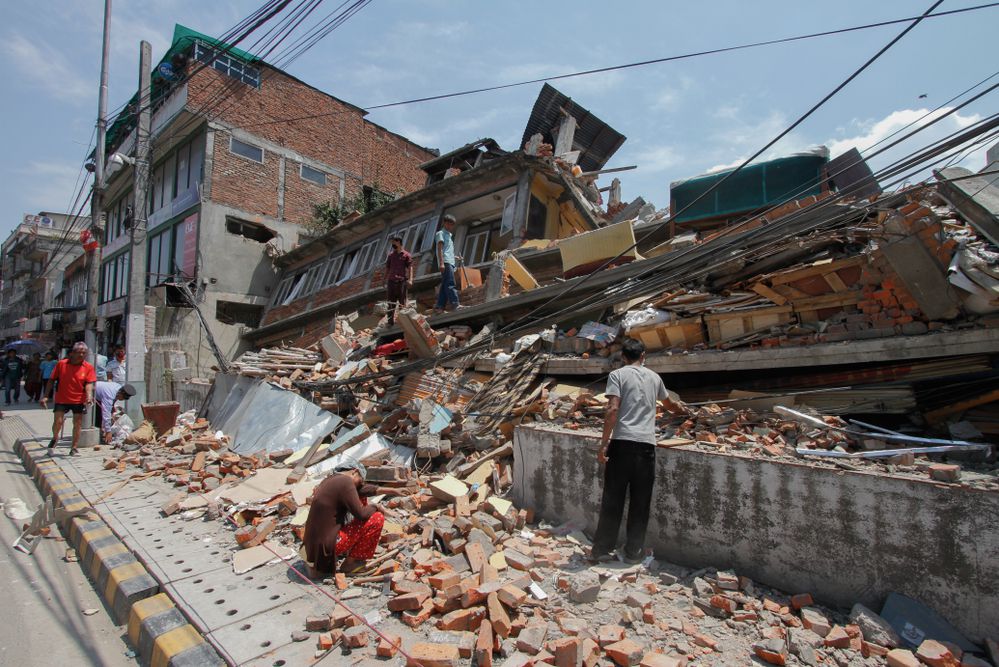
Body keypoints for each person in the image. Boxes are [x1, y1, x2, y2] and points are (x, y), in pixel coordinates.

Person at [591, 338, 688, 564]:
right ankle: (633, 552)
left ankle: (602, 550)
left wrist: (604, 442)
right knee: (640, 501)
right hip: (646, 447)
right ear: (643, 356)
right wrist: (683, 412)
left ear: (623, 357)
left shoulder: (617, 375)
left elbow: (612, 408)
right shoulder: (655, 378)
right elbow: (669, 405)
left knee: (613, 499)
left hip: (622, 444)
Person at [302, 463, 384, 578]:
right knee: (377, 518)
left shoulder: (329, 480)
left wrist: (392, 490)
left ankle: (349, 553)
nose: (360, 485)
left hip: (311, 548)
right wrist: (376, 506)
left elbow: (362, 491)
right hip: (326, 547)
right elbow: (361, 514)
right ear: (354, 472)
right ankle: (351, 564)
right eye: (360, 481)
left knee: (361, 498)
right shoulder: (346, 481)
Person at [41, 342, 97, 455]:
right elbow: (51, 380)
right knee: (58, 421)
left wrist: (89, 397)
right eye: (79, 352)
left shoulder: (88, 367)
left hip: (78, 400)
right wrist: (46, 396)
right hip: (62, 398)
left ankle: (74, 447)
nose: (81, 355)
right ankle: (55, 438)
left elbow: (89, 383)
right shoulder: (61, 364)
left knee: (77, 423)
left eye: (84, 353)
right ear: (72, 353)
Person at [433, 214, 462, 313]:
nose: (450, 226)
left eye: (451, 224)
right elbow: (440, 249)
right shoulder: (440, 233)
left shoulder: (449, 236)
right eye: (448, 223)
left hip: (450, 261)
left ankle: (440, 307)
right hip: (445, 262)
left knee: (445, 284)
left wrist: (456, 257)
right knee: (450, 283)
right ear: (444, 223)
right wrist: (441, 263)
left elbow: (447, 250)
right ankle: (455, 304)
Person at [384, 235, 413, 326]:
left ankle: (403, 322)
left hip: (402, 282)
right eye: (392, 243)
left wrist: (411, 279)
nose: (392, 245)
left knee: (402, 303)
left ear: (399, 242)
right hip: (391, 282)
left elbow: (410, 267)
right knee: (390, 303)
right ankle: (390, 322)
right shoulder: (391, 256)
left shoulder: (406, 255)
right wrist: (384, 279)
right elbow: (388, 268)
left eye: (394, 242)